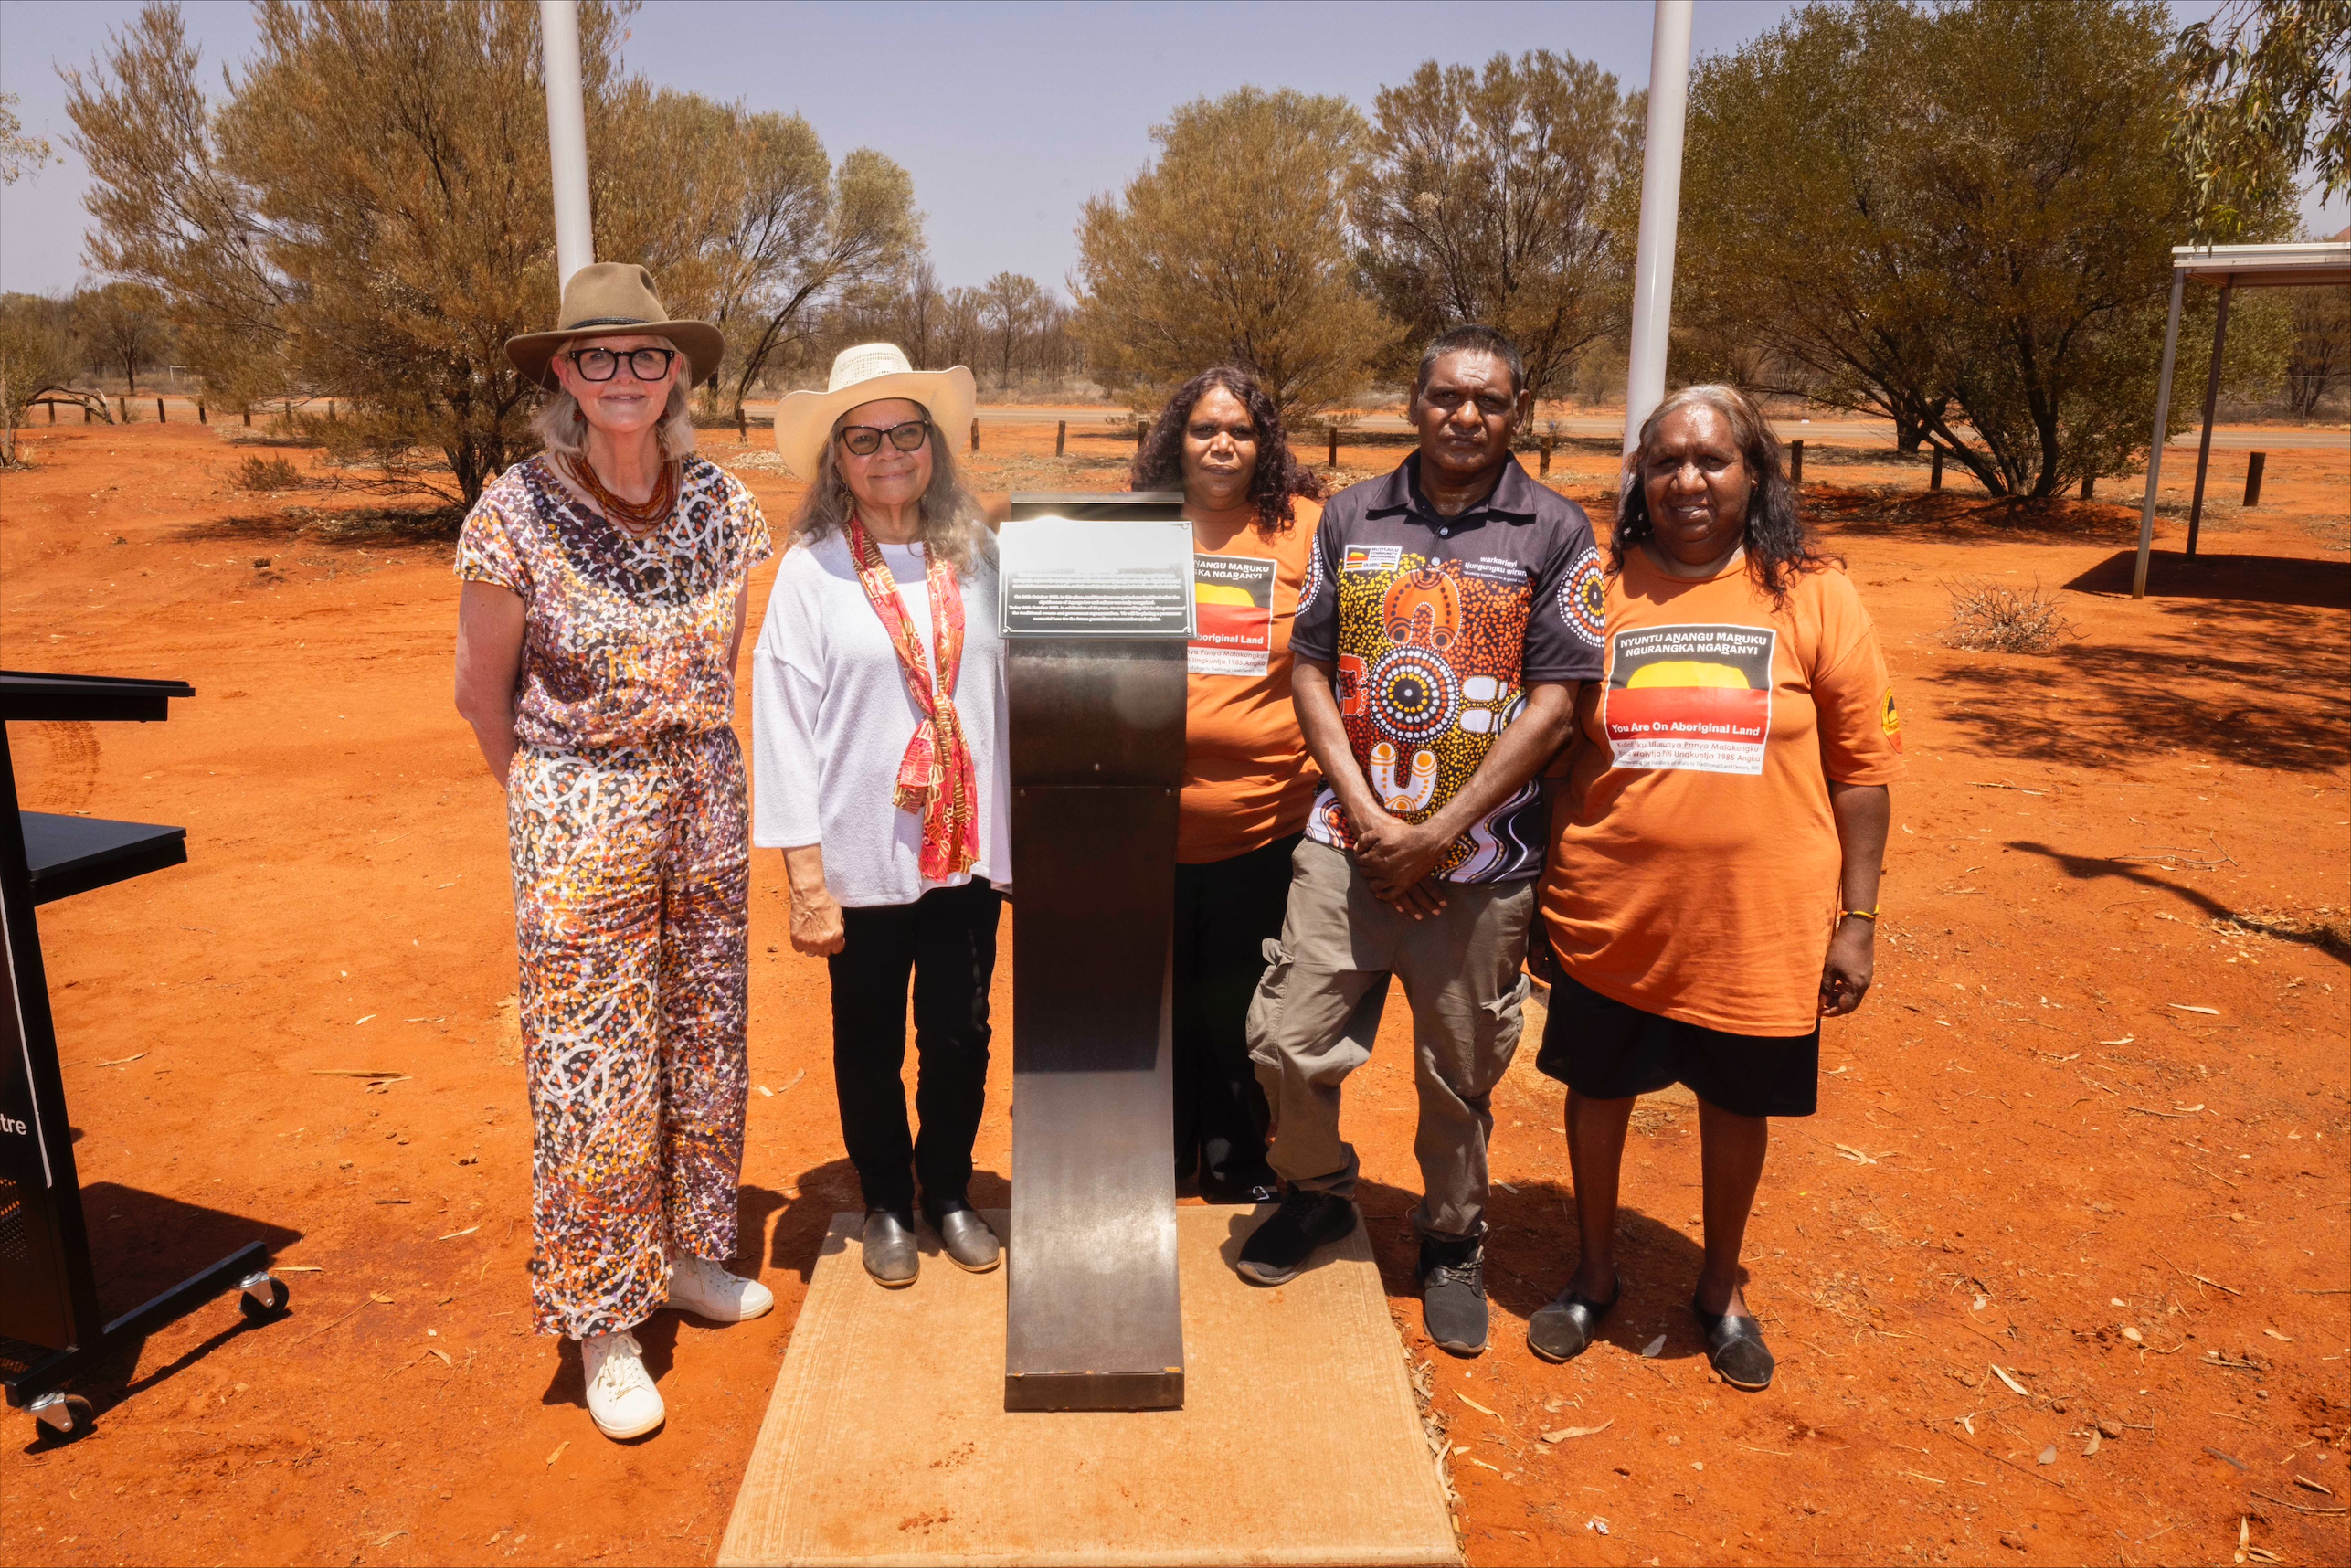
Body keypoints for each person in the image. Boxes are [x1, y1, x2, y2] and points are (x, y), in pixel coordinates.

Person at [453, 262, 775, 1443]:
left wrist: (675, 779)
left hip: (702, 796)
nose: (624, 376)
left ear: (677, 371)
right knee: (593, 1063)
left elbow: (718, 666)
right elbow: (479, 693)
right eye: (599, 357)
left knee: (701, 1032)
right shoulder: (512, 512)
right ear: (564, 374)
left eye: (646, 355)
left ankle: (684, 1256)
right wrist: (554, 806)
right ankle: (602, 1321)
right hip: (578, 805)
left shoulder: (723, 504)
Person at [1526, 383, 1900, 1392]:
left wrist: (1857, 921)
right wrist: (1539, 896)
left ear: (1753, 473)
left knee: (1737, 1106)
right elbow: (1557, 757)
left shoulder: (1813, 594)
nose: (1686, 480)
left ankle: (1719, 1290)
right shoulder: (1598, 589)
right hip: (1611, 910)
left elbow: (1862, 774)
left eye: (1711, 460)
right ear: (1639, 479)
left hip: (1758, 922)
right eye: (1665, 461)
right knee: (1598, 1091)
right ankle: (1592, 1273)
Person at [1239, 324, 1603, 1358]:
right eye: (1447, 395)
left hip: (1479, 867)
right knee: (1285, 1042)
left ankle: (1450, 1239)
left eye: (1488, 401)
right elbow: (1310, 667)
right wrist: (1370, 823)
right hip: (1345, 847)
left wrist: (1436, 835)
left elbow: (1556, 705)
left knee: (1458, 1071)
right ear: (1413, 401)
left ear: (1518, 413)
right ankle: (1315, 1193)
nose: (1465, 416)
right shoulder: (1352, 516)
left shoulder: (1555, 531)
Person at [751, 344, 1009, 1289]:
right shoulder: (810, 571)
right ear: (837, 459)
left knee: (959, 1034)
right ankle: (888, 1202)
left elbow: (1006, 700)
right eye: (863, 439)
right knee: (867, 1040)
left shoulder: (977, 557)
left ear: (933, 444)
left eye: (905, 432)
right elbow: (781, 726)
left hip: (960, 854)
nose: (887, 454)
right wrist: (805, 880)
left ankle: (948, 1190)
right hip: (860, 857)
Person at [1131, 366, 1326, 1206]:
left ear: (1264, 443)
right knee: (1163, 999)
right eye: (1204, 428)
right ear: (1176, 440)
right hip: (1144, 823)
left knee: (1243, 1003)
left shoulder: (1306, 530)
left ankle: (1238, 1156)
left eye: (1241, 431)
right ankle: (1164, 1150)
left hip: (1262, 823)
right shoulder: (1134, 525)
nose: (1222, 444)